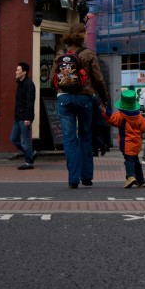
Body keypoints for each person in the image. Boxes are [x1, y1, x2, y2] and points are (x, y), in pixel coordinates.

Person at [54, 23, 109, 189]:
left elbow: (52, 79)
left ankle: (73, 179)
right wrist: (104, 98)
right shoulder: (88, 54)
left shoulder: (60, 54)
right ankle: (86, 177)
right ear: (81, 36)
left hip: (63, 98)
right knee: (85, 136)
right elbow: (98, 79)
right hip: (84, 98)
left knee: (69, 140)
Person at [101, 90, 145, 188]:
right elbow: (144, 127)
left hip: (126, 143)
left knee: (129, 160)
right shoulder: (139, 117)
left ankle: (130, 177)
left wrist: (104, 109)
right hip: (137, 143)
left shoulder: (121, 116)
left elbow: (111, 118)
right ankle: (141, 179)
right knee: (135, 160)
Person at [11, 62, 37, 170]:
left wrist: (27, 118)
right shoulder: (20, 83)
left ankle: (29, 162)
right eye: (16, 70)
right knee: (13, 139)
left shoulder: (29, 84)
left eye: (18, 70)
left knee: (25, 141)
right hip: (18, 117)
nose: (16, 72)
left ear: (24, 72)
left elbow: (30, 102)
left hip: (24, 118)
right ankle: (31, 153)